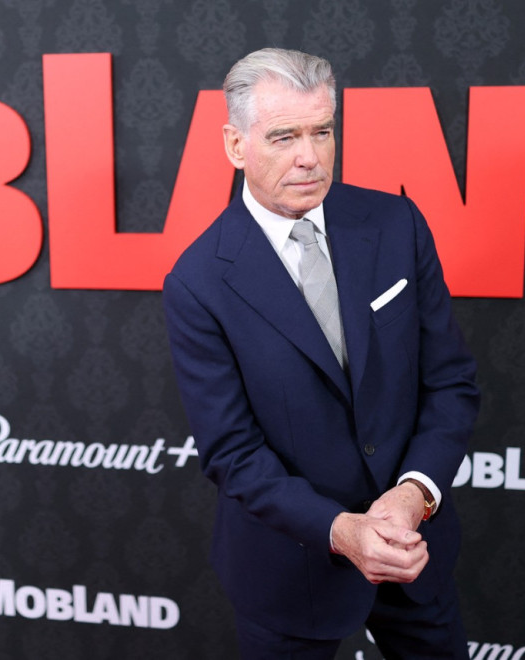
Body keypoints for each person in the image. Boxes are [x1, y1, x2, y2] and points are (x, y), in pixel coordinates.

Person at [162, 47, 480, 659]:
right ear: (235, 145)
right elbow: (232, 453)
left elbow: (451, 384)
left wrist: (413, 495)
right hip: (288, 571)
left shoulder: (396, 224)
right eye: (284, 137)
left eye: (322, 131)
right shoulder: (198, 282)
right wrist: (341, 530)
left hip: (414, 550)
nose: (309, 156)